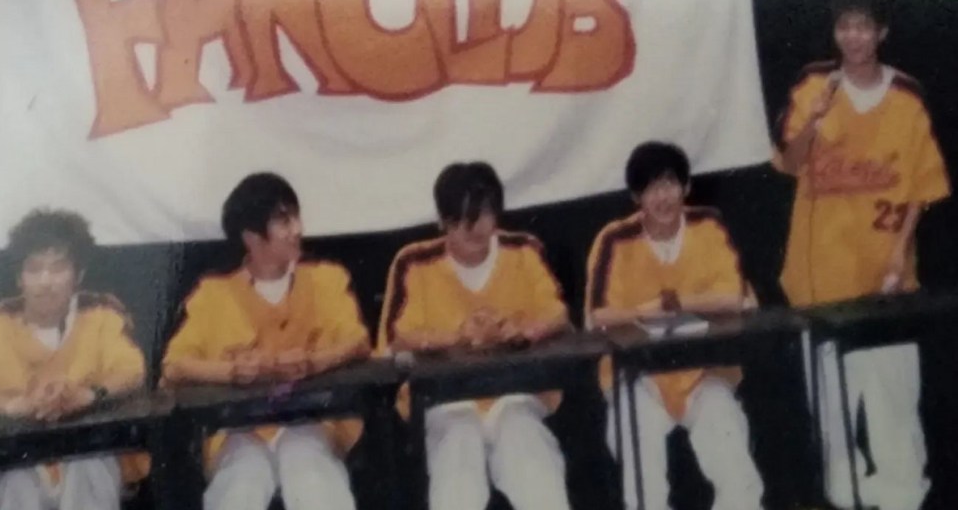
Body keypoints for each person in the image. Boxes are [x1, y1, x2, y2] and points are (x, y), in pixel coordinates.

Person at [773, 0, 950, 510]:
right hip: (822, 276)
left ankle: (903, 497)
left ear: (882, 33)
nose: (853, 36)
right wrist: (815, 119)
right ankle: (844, 498)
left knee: (894, 406)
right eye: (845, 26)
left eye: (864, 26)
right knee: (832, 418)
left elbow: (921, 187)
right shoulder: (813, 85)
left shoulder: (907, 96)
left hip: (883, 275)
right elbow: (789, 162)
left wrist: (900, 251)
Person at [162, 172, 370, 510]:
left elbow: (358, 341)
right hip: (237, 432)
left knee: (310, 471)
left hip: (313, 423)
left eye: (296, 217)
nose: (297, 229)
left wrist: (314, 362)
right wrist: (232, 372)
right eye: (283, 221)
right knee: (242, 481)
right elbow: (174, 366)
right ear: (252, 237)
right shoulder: (213, 295)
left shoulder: (326, 279)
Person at [378, 161, 572, 510]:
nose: (474, 227)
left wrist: (523, 331)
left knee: (531, 455)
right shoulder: (415, 263)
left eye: (483, 214)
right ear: (442, 221)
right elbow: (397, 339)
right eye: (462, 218)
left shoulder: (523, 250)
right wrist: (457, 337)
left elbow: (557, 313)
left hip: (515, 394)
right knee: (457, 455)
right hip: (445, 402)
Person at [586, 142, 764, 510]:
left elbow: (737, 297)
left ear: (686, 187)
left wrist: (679, 303)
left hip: (704, 372)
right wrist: (646, 310)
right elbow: (598, 315)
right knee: (641, 469)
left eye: (669, 184)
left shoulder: (709, 224)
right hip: (638, 378)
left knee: (735, 459)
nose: (662, 197)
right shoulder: (614, 238)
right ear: (636, 196)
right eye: (651, 188)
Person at [0, 209, 147, 510]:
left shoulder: (101, 317)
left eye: (58, 268)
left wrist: (88, 394)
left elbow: (132, 370)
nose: (46, 281)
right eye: (34, 269)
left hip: (90, 452)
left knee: (88, 464)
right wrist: (14, 405)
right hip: (18, 458)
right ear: (19, 278)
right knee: (17, 476)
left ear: (78, 275)